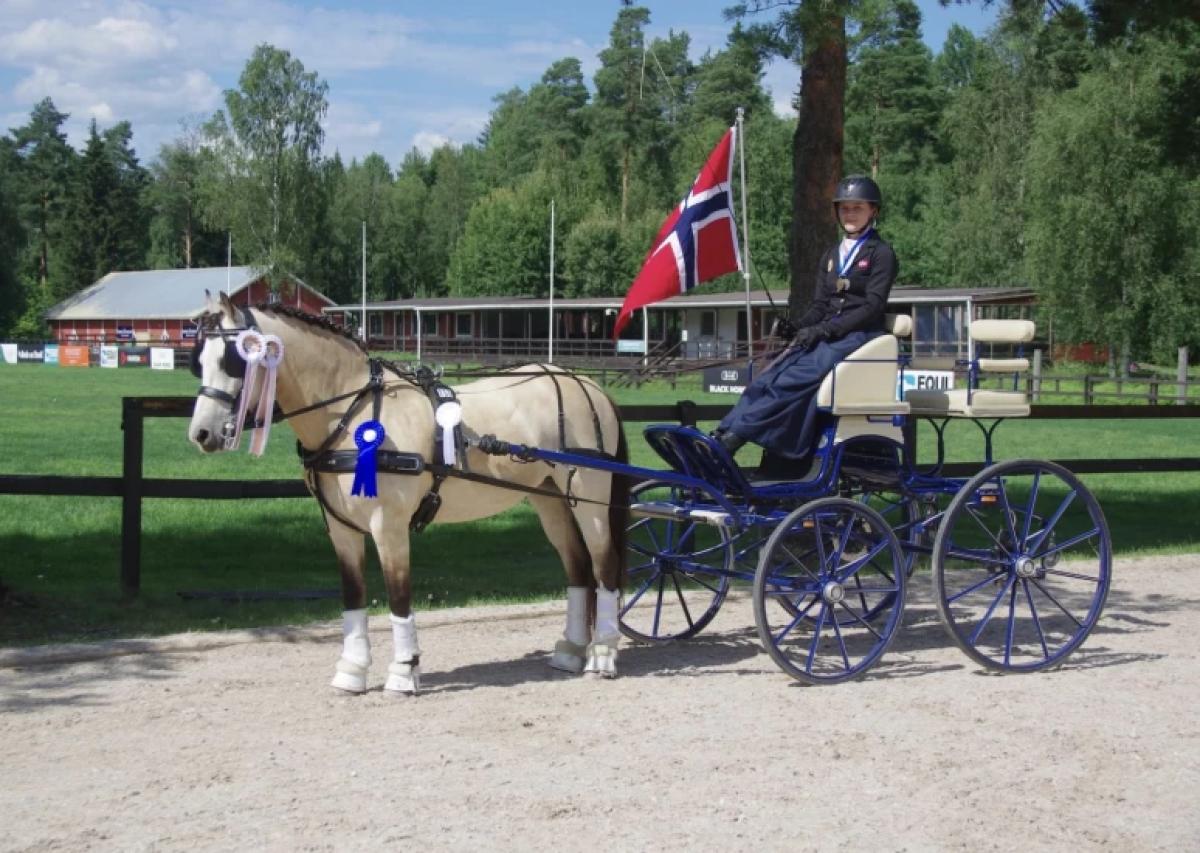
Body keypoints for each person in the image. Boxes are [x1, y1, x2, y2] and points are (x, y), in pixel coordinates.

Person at [713, 175, 899, 463]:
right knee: (766, 378)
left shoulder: (882, 254)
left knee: (791, 380)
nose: (850, 214)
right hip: (829, 335)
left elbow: (872, 308)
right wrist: (798, 326)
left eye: (857, 208)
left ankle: (733, 441)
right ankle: (722, 434)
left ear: (873, 211)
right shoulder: (831, 255)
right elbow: (820, 305)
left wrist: (824, 330)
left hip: (857, 337)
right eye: (844, 208)